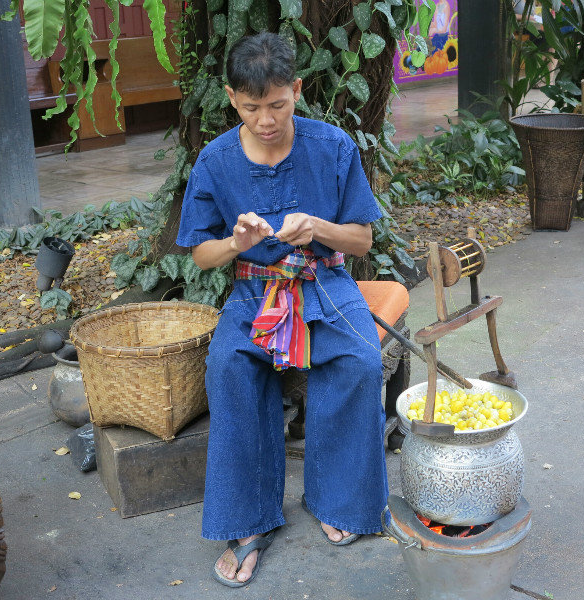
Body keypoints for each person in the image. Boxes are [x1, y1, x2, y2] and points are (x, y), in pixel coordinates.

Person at [176, 32, 389, 588]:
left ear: (297, 90)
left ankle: (335, 499)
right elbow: (202, 256)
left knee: (361, 360)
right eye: (251, 108)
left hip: (325, 280)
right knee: (229, 366)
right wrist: (236, 245)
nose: (265, 119)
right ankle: (248, 522)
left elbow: (362, 241)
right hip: (253, 289)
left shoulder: (333, 146)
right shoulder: (216, 160)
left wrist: (316, 226)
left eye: (277, 104)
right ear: (231, 98)